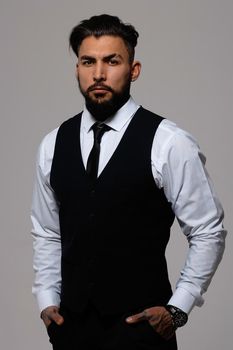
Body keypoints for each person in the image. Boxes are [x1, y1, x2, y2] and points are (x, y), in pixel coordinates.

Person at [31, 14, 227, 350]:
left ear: (133, 70)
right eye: (88, 61)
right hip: (71, 331)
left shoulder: (168, 142)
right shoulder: (53, 144)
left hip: (142, 332)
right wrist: (47, 300)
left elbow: (208, 230)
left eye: (112, 61)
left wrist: (177, 309)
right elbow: (47, 230)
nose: (99, 73)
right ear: (77, 69)